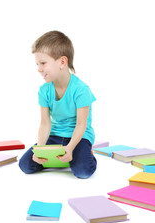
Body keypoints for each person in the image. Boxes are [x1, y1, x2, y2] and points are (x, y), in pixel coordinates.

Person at [19, 31, 97, 179]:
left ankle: (83, 155)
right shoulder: (44, 91)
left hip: (79, 137)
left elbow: (81, 125)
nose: (39, 69)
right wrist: (40, 149)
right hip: (54, 136)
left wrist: (70, 148)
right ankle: (64, 158)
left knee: (83, 171)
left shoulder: (81, 90)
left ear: (62, 62)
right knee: (26, 165)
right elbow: (45, 123)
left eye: (43, 63)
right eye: (37, 64)